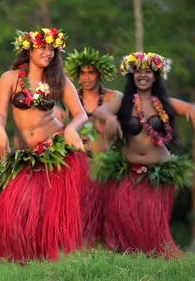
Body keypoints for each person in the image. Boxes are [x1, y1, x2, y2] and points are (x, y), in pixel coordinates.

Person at [0, 27, 89, 263]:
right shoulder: (10, 78)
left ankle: (46, 260)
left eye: (52, 49)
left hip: (55, 151)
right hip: (25, 155)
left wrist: (72, 129)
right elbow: (1, 114)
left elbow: (80, 114)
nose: (48, 53)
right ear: (29, 49)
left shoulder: (58, 80)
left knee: (48, 212)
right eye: (43, 48)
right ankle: (19, 254)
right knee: (17, 208)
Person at [94, 51, 195, 259]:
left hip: (158, 174)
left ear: (156, 76)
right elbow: (99, 112)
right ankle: (129, 256)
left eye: (147, 71)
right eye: (137, 71)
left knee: (151, 223)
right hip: (129, 172)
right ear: (132, 76)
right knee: (125, 216)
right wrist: (109, 119)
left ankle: (154, 257)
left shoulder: (163, 103)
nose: (142, 75)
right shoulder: (124, 103)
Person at [63, 47, 123, 248]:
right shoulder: (70, 100)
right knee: (82, 213)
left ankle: (111, 251)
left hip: (105, 167)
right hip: (79, 165)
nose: (86, 77)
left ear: (100, 74)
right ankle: (81, 252)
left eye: (91, 72)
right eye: (83, 73)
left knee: (109, 215)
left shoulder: (113, 98)